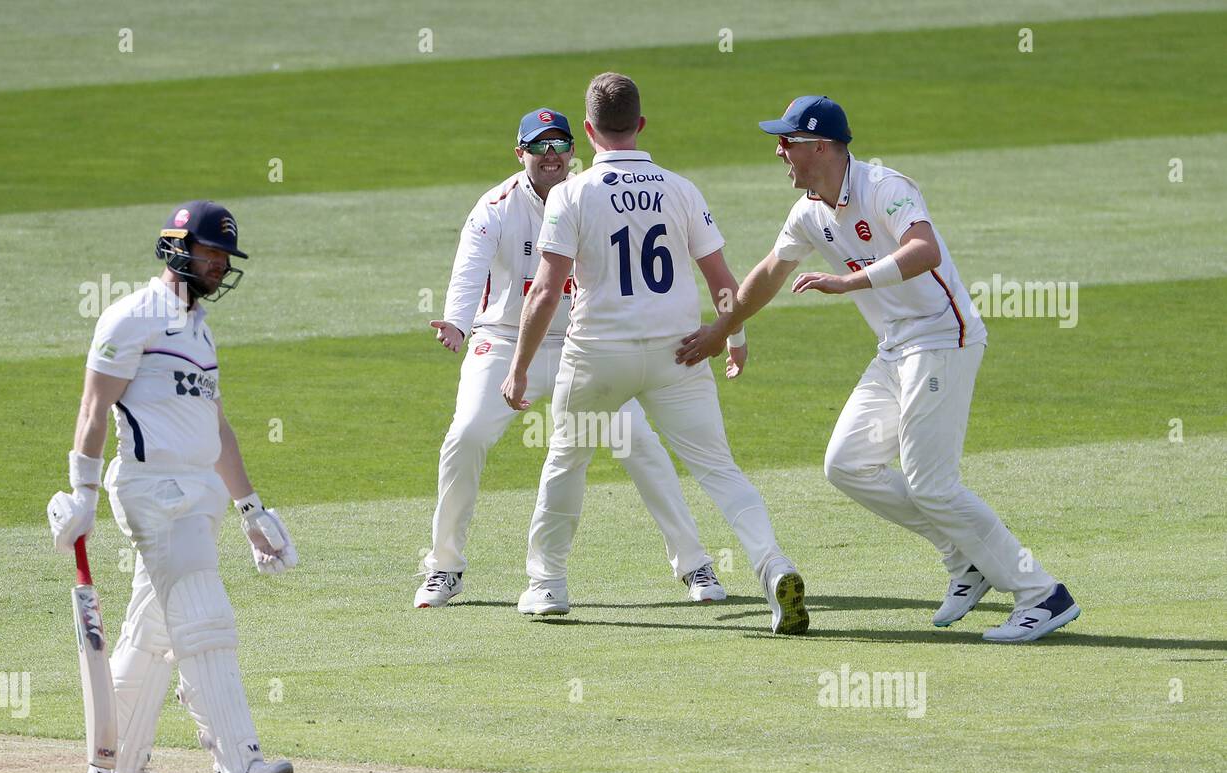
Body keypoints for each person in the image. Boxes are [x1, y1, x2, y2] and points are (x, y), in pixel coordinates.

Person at [681, 95, 1079, 643]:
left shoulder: (884, 187)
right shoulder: (808, 212)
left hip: (943, 336)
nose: (779, 151)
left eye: (787, 142)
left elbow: (925, 250)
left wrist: (849, 282)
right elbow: (770, 273)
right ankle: (963, 560)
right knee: (847, 464)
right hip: (895, 347)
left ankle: (1042, 593)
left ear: (820, 145)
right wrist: (723, 331)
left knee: (933, 484)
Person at [502, 75, 808, 635]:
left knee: (567, 460)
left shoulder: (571, 193)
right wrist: (733, 336)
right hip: (681, 351)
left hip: (599, 355)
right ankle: (774, 566)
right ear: (641, 125)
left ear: (588, 131)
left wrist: (519, 368)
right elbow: (720, 279)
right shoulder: (680, 188)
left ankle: (547, 586)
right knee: (719, 470)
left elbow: (547, 291)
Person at [416, 107, 726, 610]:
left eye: (560, 144)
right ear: (521, 155)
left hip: (579, 346)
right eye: (539, 147)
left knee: (639, 443)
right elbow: (469, 270)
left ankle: (694, 564)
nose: (552, 155)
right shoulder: (494, 206)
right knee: (466, 435)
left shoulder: (589, 194)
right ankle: (445, 567)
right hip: (503, 339)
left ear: (574, 148)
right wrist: (455, 320)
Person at [46, 200, 298, 773]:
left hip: (199, 493)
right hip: (152, 491)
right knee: (204, 617)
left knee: (154, 632)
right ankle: (238, 765)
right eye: (209, 252)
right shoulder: (132, 316)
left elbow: (215, 426)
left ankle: (115, 768)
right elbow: (92, 407)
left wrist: (252, 511)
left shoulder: (199, 327)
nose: (217, 265)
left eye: (223, 257)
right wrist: (81, 492)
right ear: (177, 249)